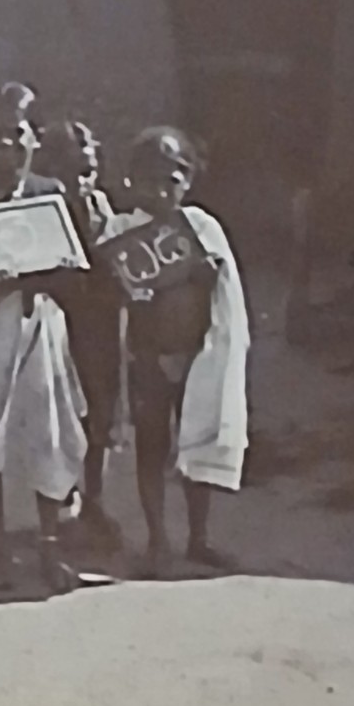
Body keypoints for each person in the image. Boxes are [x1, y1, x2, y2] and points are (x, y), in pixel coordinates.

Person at [99, 127, 250, 578]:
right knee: (151, 445)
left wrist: (206, 274)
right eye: (150, 180)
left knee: (197, 441)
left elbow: (225, 294)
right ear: (132, 180)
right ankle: (158, 540)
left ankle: (198, 538)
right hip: (148, 357)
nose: (161, 191)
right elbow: (114, 292)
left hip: (197, 357)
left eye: (172, 179)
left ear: (189, 180)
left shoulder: (201, 228)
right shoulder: (123, 232)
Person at [0, 84, 88, 595]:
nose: (5, 145)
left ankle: (49, 546)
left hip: (43, 324)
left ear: (35, 136)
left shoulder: (51, 194)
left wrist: (45, 272)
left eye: (16, 133)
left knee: (48, 430)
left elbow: (75, 274)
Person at [37, 119, 124, 551]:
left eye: (87, 171)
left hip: (100, 322)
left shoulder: (102, 206)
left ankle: (94, 499)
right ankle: (61, 503)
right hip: (60, 322)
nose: (81, 182)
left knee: (101, 411)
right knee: (63, 413)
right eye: (70, 172)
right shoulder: (43, 211)